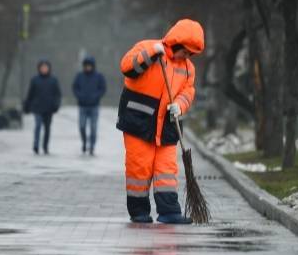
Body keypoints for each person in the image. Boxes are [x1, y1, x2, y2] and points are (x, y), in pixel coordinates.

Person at [116, 19, 205, 224]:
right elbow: (127, 68)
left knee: (166, 169)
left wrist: (180, 106)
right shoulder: (148, 48)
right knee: (140, 167)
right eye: (186, 51)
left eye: (191, 54)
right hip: (139, 121)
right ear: (176, 43)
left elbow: (188, 91)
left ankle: (169, 211)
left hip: (167, 125)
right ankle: (139, 212)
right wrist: (150, 55)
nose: (187, 57)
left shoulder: (188, 68)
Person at [23, 60, 61, 155]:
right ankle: (36, 145)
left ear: (49, 68)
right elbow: (30, 94)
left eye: (46, 67)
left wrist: (56, 105)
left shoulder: (53, 80)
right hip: (37, 108)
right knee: (38, 126)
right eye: (42, 67)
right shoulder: (35, 80)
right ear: (39, 68)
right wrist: (26, 105)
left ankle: (45, 146)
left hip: (49, 108)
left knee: (47, 128)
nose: (44, 69)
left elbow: (57, 94)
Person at [72, 56, 106, 155]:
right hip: (82, 106)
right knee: (82, 126)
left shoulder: (99, 76)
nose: (88, 67)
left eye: (89, 65)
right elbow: (74, 87)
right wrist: (79, 96)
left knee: (93, 128)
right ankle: (84, 142)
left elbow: (103, 88)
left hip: (94, 106)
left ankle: (92, 146)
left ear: (93, 66)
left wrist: (96, 96)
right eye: (86, 65)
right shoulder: (79, 76)